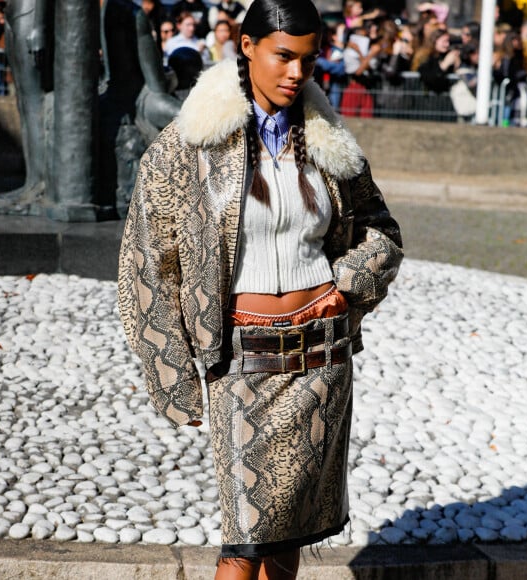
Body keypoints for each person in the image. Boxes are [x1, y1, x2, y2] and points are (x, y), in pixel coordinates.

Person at [117, 0, 403, 578]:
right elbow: (147, 262)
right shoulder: (190, 146)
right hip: (240, 367)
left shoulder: (329, 144)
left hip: (321, 364)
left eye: (308, 59)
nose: (297, 73)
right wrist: (173, 375)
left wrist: (346, 289)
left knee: (284, 537)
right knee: (243, 544)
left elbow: (382, 233)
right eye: (283, 56)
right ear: (247, 49)